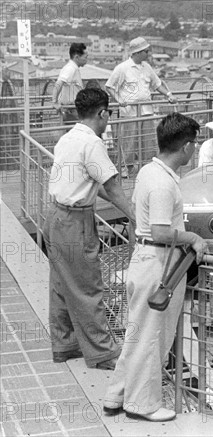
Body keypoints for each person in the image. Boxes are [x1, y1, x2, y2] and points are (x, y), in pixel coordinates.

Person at [104, 113, 208, 422]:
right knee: (153, 338)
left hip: (145, 259)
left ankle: (117, 395)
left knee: (138, 335)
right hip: (159, 264)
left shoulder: (149, 172)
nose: (196, 148)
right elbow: (162, 231)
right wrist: (193, 237)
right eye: (195, 142)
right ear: (186, 147)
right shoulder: (164, 183)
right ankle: (143, 404)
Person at [44, 88, 134, 370]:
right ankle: (103, 353)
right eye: (109, 115)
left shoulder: (68, 138)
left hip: (55, 216)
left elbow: (94, 181)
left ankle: (65, 344)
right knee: (88, 288)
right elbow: (112, 186)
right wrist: (136, 217)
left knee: (60, 285)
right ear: (102, 113)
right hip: (76, 222)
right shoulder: (93, 143)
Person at [105, 37, 178, 178]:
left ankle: (147, 167)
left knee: (148, 140)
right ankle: (125, 167)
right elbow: (109, 86)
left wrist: (169, 94)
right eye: (145, 51)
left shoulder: (147, 67)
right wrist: (119, 100)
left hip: (146, 111)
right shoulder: (122, 68)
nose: (148, 54)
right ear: (137, 52)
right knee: (129, 140)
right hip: (130, 112)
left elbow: (157, 84)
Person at [51, 43, 88, 124]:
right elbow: (58, 84)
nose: (86, 60)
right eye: (85, 57)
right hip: (71, 110)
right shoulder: (70, 68)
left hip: (74, 109)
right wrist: (54, 102)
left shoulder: (73, 68)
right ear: (77, 57)